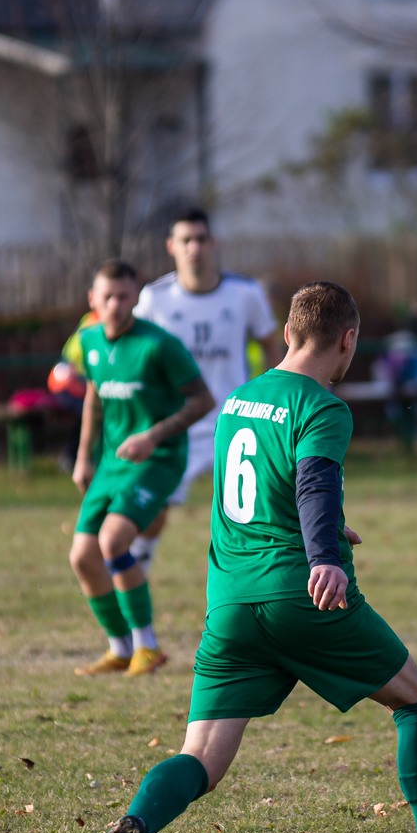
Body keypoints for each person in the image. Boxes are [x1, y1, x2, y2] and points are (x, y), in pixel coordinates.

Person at [72, 281, 417, 833]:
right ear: (348, 340)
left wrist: (326, 529)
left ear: (285, 334)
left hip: (230, 604)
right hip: (302, 595)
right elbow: (313, 483)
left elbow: (248, 499)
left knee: (201, 761)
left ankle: (134, 826)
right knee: (416, 701)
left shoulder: (238, 400)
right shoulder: (323, 406)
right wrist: (324, 554)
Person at [69, 261, 215, 677]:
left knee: (113, 541)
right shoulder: (89, 341)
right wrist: (84, 457)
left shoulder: (159, 345)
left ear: (136, 298)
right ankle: (120, 648)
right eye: (107, 297)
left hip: (159, 460)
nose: (115, 305)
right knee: (82, 556)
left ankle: (147, 646)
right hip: (113, 464)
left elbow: (203, 400)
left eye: (123, 296)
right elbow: (94, 397)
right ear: (92, 300)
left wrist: (153, 436)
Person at [130, 208, 282, 570]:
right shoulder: (155, 298)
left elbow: (270, 345)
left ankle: (251, 580)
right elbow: (136, 353)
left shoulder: (245, 293)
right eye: (185, 240)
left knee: (248, 513)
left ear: (213, 244)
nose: (194, 247)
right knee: (152, 510)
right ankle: (138, 570)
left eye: (200, 239)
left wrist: (272, 400)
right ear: (171, 246)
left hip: (234, 425)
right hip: (177, 423)